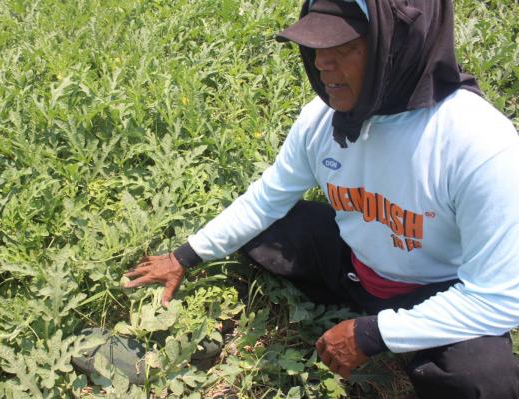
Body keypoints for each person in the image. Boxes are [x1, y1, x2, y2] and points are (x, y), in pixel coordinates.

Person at [123, 0, 519, 397]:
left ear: (397, 46)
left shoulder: (478, 143)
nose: (322, 63)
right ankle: (362, 297)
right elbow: (267, 198)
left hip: (435, 289)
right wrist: (183, 256)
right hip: (354, 263)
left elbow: (501, 297)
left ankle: (411, 339)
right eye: (315, 46)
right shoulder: (320, 119)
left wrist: (372, 334)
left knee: (488, 381)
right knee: (266, 228)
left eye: (344, 47)